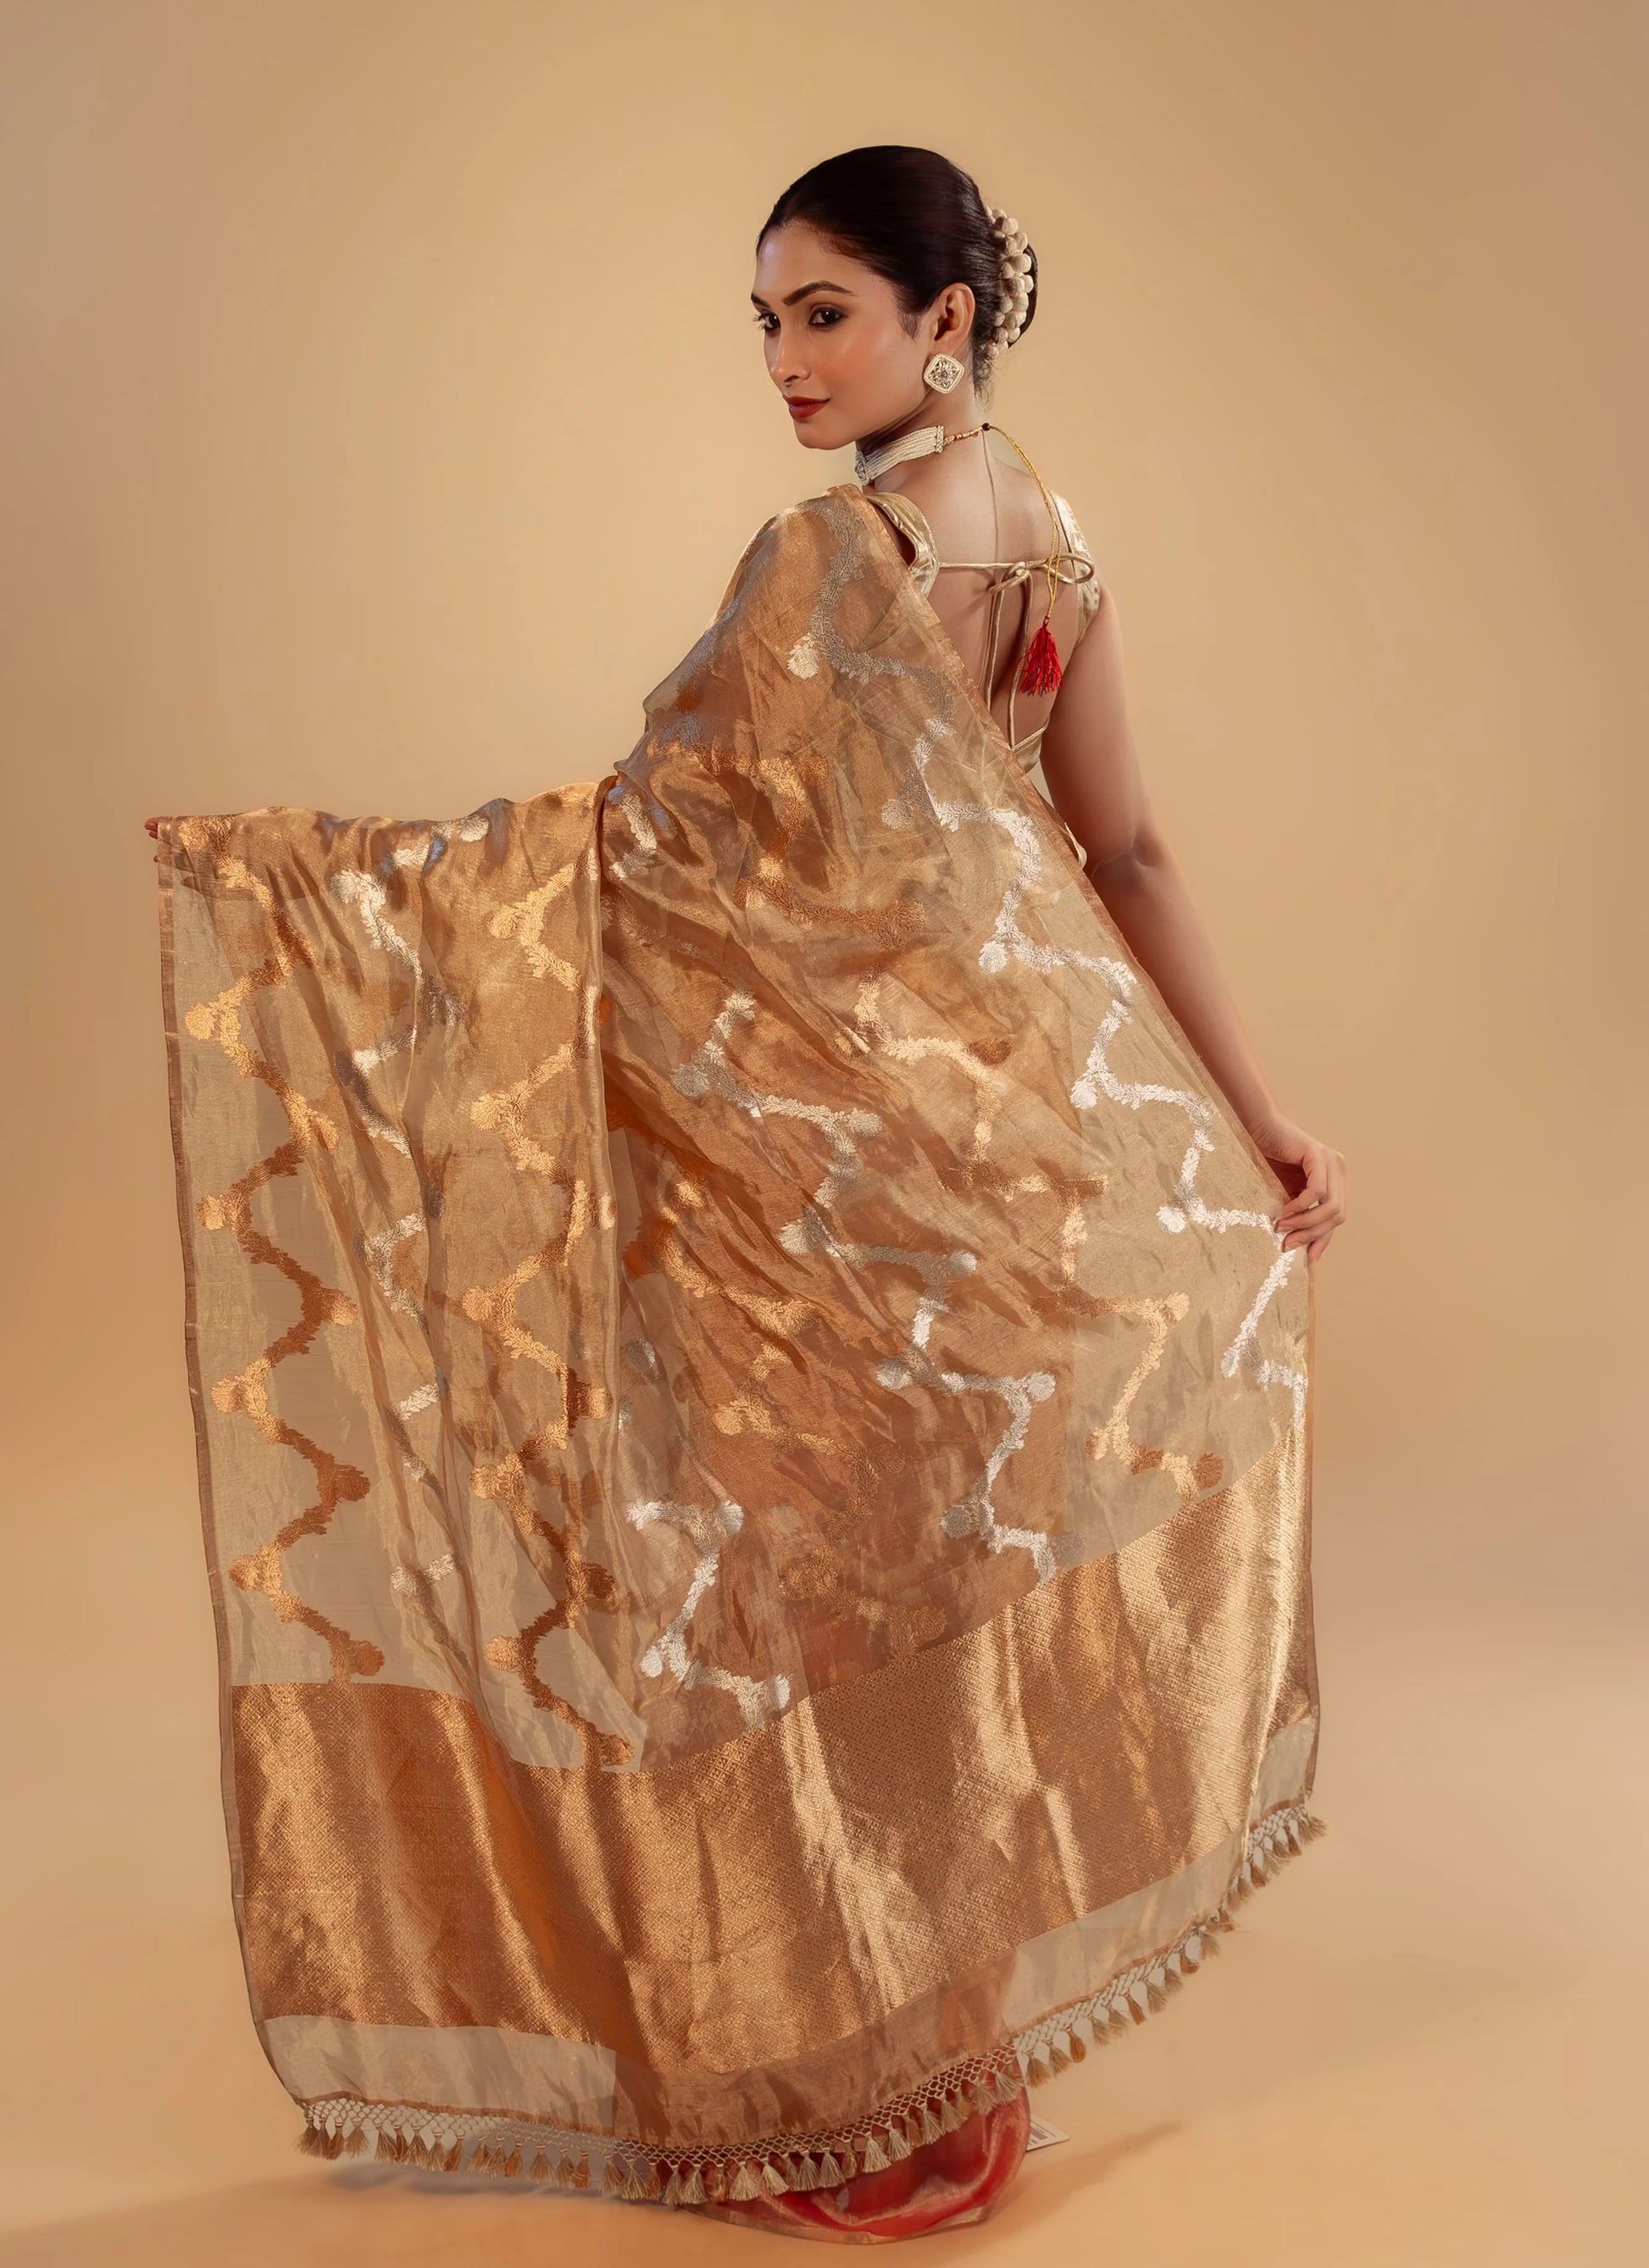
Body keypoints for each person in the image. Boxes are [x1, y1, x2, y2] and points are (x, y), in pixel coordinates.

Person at [146, 145, 1339, 2246]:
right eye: (769, 321)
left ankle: (843, 2097)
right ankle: (940, 2075)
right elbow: (1126, 855)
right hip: (992, 1172)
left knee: (783, 1622)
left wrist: (323, 889)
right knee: (921, 1614)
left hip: (811, 1187)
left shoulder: (835, 553)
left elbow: (653, 846)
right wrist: (1255, 1122)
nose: (787, 360)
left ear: (941, 319)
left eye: (824, 313)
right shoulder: (1054, 547)